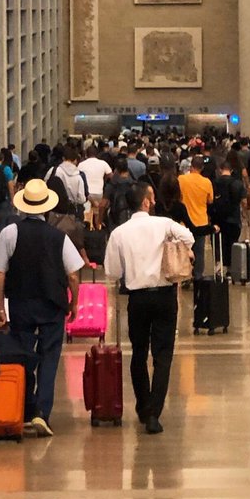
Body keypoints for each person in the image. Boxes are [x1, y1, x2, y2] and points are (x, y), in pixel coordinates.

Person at [0, 179, 85, 437]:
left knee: (23, 356)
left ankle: (26, 409)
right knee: (49, 357)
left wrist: (0, 309)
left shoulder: (10, 233)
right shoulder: (59, 237)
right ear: (46, 208)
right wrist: (74, 303)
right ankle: (43, 412)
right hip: (52, 305)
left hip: (21, 303)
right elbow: (73, 274)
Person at [104, 182, 195, 435]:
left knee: (139, 353)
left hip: (137, 299)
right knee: (163, 355)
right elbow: (189, 237)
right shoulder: (163, 224)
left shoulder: (119, 233)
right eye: (151, 197)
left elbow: (112, 271)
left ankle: (143, 406)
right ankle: (155, 412)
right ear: (145, 202)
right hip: (165, 296)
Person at [178, 156, 215, 279]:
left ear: (191, 166)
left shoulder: (181, 179)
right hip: (201, 222)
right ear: (202, 168)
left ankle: (184, 276)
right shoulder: (207, 182)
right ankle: (198, 276)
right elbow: (210, 200)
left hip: (184, 222)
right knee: (199, 252)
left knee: (183, 251)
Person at [211, 158, 246, 274]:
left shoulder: (214, 183)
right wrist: (245, 215)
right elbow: (244, 202)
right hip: (233, 219)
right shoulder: (238, 183)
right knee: (232, 243)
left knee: (218, 243)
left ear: (220, 170)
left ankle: (219, 267)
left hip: (217, 219)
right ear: (231, 170)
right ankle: (231, 270)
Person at [78, 145, 112, 228]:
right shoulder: (103, 163)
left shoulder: (81, 164)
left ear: (86, 154)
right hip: (99, 192)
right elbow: (111, 175)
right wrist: (104, 178)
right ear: (97, 154)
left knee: (87, 214)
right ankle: (98, 229)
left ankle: (87, 229)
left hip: (86, 194)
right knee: (97, 213)